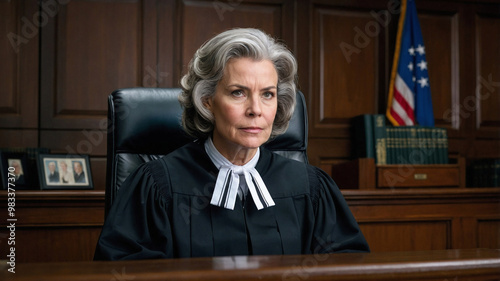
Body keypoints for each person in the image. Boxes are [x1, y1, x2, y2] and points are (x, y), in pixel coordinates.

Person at [94, 28, 369, 260]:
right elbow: (124, 270)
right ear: (207, 101)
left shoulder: (312, 187)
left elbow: (348, 267)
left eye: (268, 94)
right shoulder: (157, 185)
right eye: (238, 93)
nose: (255, 110)